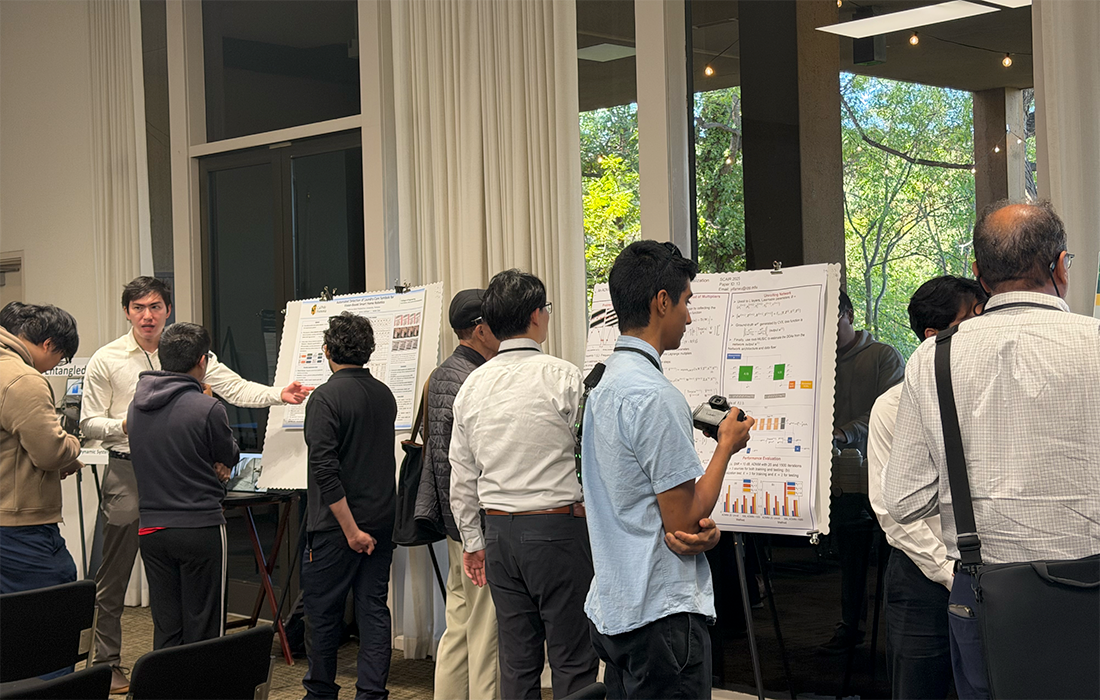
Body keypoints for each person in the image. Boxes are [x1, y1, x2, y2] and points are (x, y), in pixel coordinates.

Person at [885, 200, 1100, 700]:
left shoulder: (934, 358)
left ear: (980, 275)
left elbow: (903, 501)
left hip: (988, 595)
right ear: (1062, 267)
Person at [79, 276, 310, 693]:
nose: (147, 315)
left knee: (174, 584)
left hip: (180, 472)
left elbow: (234, 388)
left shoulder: (186, 350)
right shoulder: (106, 359)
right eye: (138, 308)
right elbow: (88, 422)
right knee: (113, 575)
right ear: (127, 312)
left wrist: (280, 395)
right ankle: (107, 660)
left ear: (168, 309)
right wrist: (129, 425)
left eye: (154, 307)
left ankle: (181, 670)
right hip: (130, 469)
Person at [581, 241, 754, 700]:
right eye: (686, 302)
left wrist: (703, 533)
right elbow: (682, 522)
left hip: (617, 606)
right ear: (662, 302)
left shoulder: (601, 384)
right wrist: (726, 446)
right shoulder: (655, 397)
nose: (689, 317)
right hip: (660, 615)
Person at [449, 269, 599, 700]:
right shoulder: (565, 377)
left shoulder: (472, 386)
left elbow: (461, 474)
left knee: (516, 663)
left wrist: (473, 542)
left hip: (499, 536)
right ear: (537, 316)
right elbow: (590, 456)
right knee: (573, 659)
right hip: (557, 532)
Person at [867, 276, 985, 700]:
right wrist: (949, 570)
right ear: (934, 337)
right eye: (971, 318)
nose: (983, 325)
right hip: (921, 581)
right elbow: (891, 512)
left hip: (989, 579)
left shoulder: (986, 393)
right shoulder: (893, 406)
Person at [302, 312, 397, 700]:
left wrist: (351, 531)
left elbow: (326, 472)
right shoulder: (384, 394)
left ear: (326, 350)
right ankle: (371, 693)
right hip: (380, 520)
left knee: (323, 614)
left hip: (336, 529)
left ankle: (321, 692)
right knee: (373, 611)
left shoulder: (325, 397)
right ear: (369, 351)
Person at [127, 323, 239, 649]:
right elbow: (227, 455)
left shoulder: (135, 407)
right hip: (199, 526)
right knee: (204, 628)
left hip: (151, 530)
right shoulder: (207, 407)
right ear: (203, 361)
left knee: (167, 628)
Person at [415, 289, 502, 700]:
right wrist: (474, 533)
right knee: (485, 629)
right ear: (481, 329)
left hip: (455, 522)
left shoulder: (442, 373)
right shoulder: (474, 378)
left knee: (460, 622)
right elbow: (467, 464)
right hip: (473, 524)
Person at [820, 289, 905, 653]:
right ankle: (850, 627)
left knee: (887, 558)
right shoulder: (818, 362)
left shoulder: (883, 356)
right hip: (834, 478)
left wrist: (843, 432)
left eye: (831, 321)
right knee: (848, 556)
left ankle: (889, 636)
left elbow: (891, 410)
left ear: (848, 315)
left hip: (877, 473)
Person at [0, 302, 83, 597]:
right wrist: (74, 444)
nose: (54, 366)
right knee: (52, 606)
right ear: (48, 344)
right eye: (60, 358)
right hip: (17, 524)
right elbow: (50, 452)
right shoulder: (22, 379)